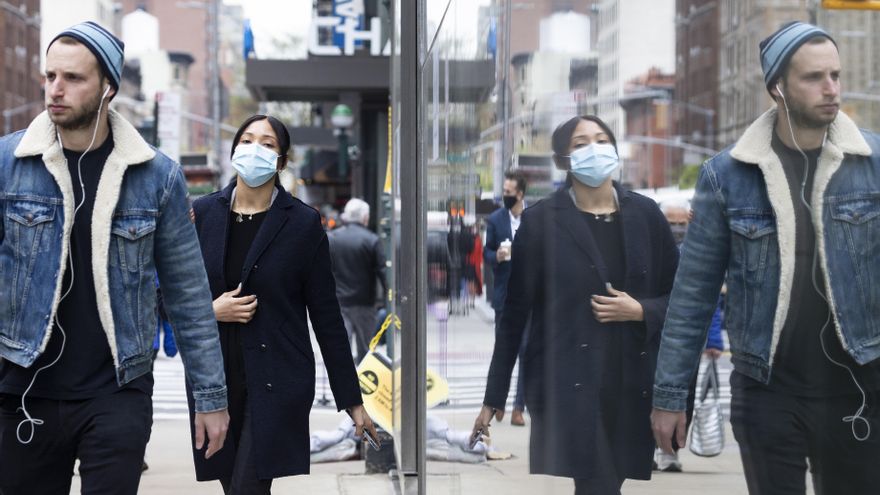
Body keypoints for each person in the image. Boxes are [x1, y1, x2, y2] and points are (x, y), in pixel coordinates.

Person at [652, 22, 880, 494]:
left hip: (860, 386)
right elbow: (692, 295)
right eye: (814, 77)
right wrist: (670, 396)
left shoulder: (873, 162)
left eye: (835, 75)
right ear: (777, 87)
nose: (831, 89)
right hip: (766, 386)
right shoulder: (726, 176)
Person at [0, 22, 228, 494]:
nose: (55, 90)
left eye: (73, 78)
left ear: (108, 88)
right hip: (22, 389)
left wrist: (211, 398)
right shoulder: (8, 163)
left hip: (118, 389)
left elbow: (188, 293)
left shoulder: (157, 176)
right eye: (50, 76)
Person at [473, 115, 680, 494]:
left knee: (605, 484)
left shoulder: (646, 215)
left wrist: (640, 311)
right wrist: (494, 396)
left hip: (631, 382)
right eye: (581, 144)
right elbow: (514, 316)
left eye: (602, 140)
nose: (594, 150)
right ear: (563, 159)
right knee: (597, 484)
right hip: (567, 384)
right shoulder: (541, 222)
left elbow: (682, 301)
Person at [190, 114, 378, 493]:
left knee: (248, 487)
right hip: (216, 381)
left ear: (281, 160)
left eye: (267, 143)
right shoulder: (203, 214)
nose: (253, 149)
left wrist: (352, 400)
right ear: (233, 151)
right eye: (246, 140)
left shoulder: (303, 224)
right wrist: (210, 311)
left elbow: (327, 317)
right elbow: (167, 297)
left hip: (278, 379)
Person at [652, 200, 725, 472]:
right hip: (653, 337)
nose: (677, 228)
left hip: (687, 341)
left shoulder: (699, 253)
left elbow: (710, 299)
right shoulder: (652, 250)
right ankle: (649, 448)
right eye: (671, 223)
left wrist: (714, 340)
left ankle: (670, 451)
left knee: (685, 396)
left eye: (682, 223)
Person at [483, 170, 529, 426]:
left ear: (520, 194)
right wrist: (497, 257)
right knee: (503, 350)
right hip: (504, 296)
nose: (505, 196)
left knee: (525, 351)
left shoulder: (533, 218)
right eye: (504, 192)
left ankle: (518, 407)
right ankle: (497, 401)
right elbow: (486, 253)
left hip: (529, 296)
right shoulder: (495, 220)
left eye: (509, 192)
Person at [328, 198, 388, 363]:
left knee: (341, 349)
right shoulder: (371, 240)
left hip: (339, 302)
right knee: (366, 350)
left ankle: (344, 379)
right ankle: (364, 378)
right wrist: (388, 298)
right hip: (364, 304)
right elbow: (383, 272)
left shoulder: (332, 238)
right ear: (365, 218)